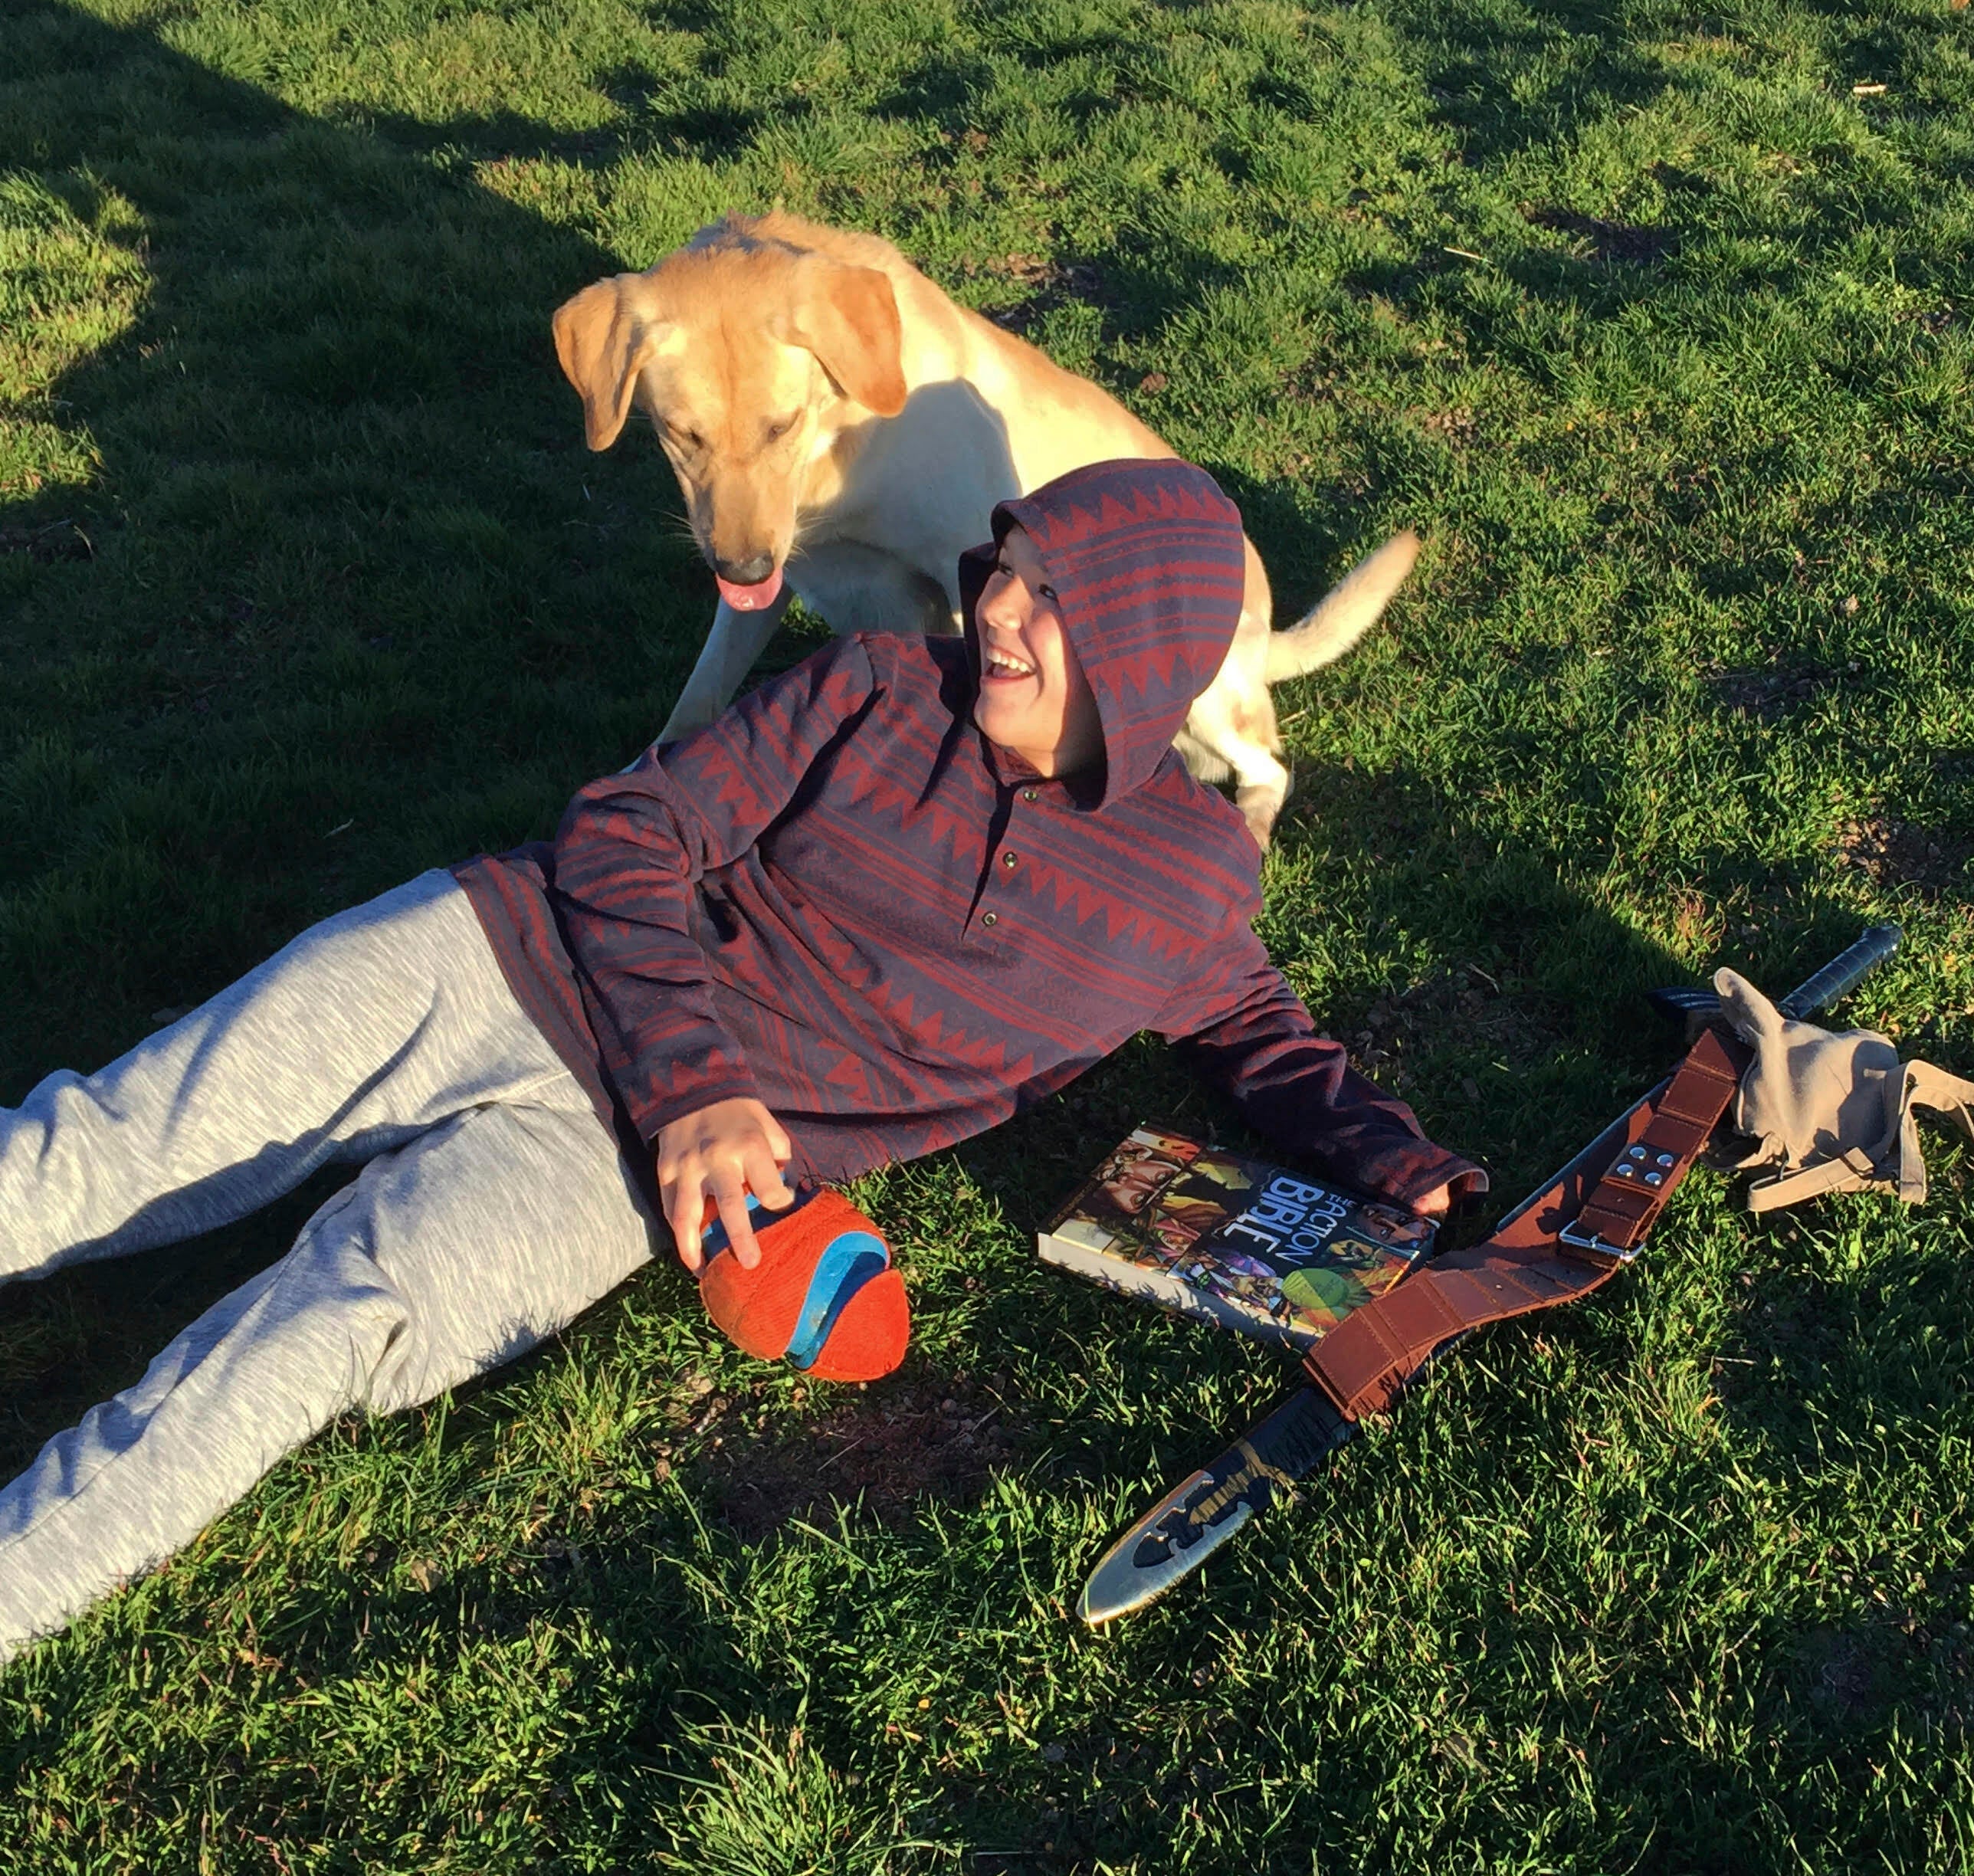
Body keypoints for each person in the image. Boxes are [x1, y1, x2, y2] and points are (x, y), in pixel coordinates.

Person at [0, 459, 1483, 1655]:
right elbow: (623, 829)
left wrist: (1395, 1164)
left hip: (625, 1175)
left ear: (1149, 665)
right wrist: (701, 1080)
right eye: (1009, 569)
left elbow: (1254, 1030)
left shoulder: (1190, 880)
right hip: (508, 961)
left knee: (333, 1322)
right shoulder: (883, 686)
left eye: (1055, 596)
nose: (1005, 611)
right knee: (112, 1144)